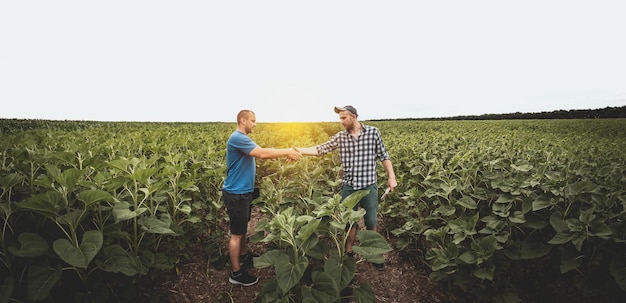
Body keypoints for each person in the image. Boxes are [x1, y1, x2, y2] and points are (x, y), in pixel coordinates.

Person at [295, 105, 397, 270]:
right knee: (349, 222)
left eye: (344, 118)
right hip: (349, 187)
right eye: (340, 118)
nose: (341, 121)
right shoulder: (340, 137)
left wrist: (391, 177)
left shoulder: (373, 132)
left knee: (371, 221)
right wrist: (299, 150)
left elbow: (384, 156)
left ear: (354, 116)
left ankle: (374, 255)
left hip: (368, 186)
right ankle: (348, 251)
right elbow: (320, 149)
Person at [223, 109, 302, 286]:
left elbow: (261, 151)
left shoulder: (242, 138)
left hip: (243, 192)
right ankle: (236, 274)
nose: (255, 124)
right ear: (243, 121)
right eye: (252, 120)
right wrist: (288, 150)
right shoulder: (238, 137)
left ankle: (243, 256)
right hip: (236, 194)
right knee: (236, 234)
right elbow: (263, 154)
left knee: (243, 229)